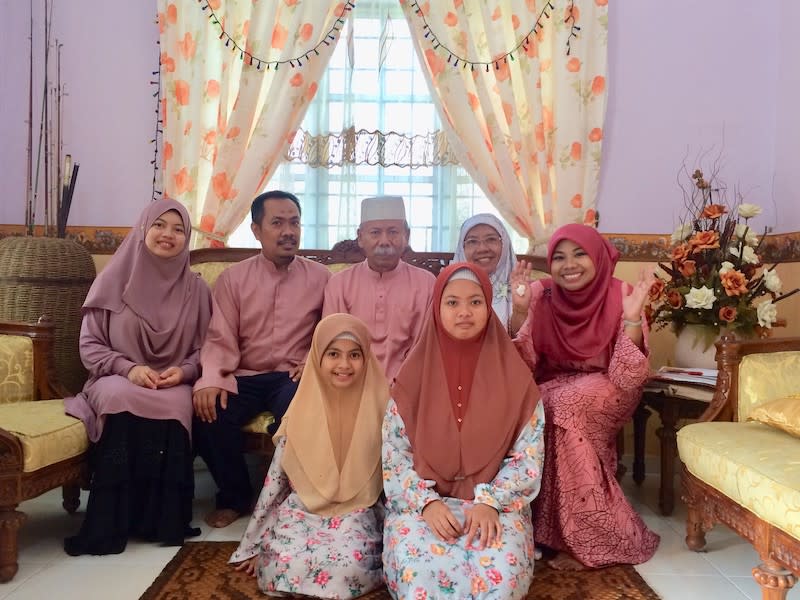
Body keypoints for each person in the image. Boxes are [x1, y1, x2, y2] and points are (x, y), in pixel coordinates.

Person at [382, 262, 545, 599]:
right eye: (452, 302)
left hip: (496, 504)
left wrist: (490, 503)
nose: (464, 312)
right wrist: (425, 503)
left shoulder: (515, 378)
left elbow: (527, 455)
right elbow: (395, 455)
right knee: (420, 580)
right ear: (437, 308)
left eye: (475, 301)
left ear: (489, 306)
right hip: (425, 504)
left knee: (498, 583)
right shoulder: (412, 378)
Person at [63, 199, 212, 555]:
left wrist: (186, 371)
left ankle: (161, 521)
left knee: (178, 403)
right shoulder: (112, 280)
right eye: (160, 225)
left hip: (172, 382)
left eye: (179, 229)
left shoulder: (197, 290)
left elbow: (208, 348)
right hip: (117, 377)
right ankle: (109, 522)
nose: (168, 235)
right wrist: (129, 368)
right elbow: (90, 346)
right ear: (143, 229)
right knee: (118, 396)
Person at [509, 223, 659, 570]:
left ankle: (594, 538)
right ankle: (540, 530)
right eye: (559, 257)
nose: (568, 264)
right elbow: (521, 365)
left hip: (611, 383)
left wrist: (633, 319)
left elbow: (629, 376)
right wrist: (518, 312)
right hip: (554, 384)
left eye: (579, 254)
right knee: (531, 408)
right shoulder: (539, 294)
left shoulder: (623, 294)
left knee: (563, 407)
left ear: (598, 257)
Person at [193, 190, 330, 529]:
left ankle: (294, 499)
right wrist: (212, 379)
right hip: (244, 374)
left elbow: (331, 329)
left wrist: (315, 360)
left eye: (294, 222)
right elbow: (219, 336)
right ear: (256, 230)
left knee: (300, 409)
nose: (288, 231)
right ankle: (235, 497)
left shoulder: (322, 278)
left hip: (292, 374)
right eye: (278, 223)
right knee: (209, 414)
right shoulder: (232, 279)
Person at [229, 314, 388, 598]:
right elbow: (275, 482)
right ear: (317, 358)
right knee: (283, 563)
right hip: (304, 509)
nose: (344, 365)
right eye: (333, 354)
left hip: (357, 511)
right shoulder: (301, 409)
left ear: (367, 359)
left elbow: (395, 476)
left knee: (346, 568)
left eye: (354, 355)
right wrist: (257, 543)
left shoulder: (383, 408)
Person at [323, 196, 434, 381]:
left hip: (410, 384)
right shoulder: (339, 284)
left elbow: (426, 347)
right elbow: (333, 343)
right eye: (375, 233)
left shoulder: (427, 283)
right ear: (360, 237)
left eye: (393, 232)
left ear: (406, 236)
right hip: (351, 382)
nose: (384, 241)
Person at [453, 213, 517, 326]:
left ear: (504, 244)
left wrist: (521, 311)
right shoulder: (448, 290)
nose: (482, 248)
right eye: (472, 241)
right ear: (462, 249)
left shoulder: (524, 290)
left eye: (491, 239)